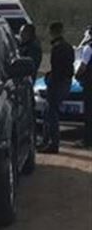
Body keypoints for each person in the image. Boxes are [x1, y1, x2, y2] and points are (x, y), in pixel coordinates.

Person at [42, 21, 75, 153]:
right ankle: (48, 141)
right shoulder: (68, 47)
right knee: (49, 112)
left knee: (52, 113)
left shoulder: (58, 48)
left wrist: (50, 81)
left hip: (58, 83)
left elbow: (57, 70)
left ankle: (53, 143)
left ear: (52, 32)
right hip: (65, 82)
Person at [75, 26, 92, 147]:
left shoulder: (88, 48)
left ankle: (87, 140)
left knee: (89, 114)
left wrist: (76, 75)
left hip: (90, 84)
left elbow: (83, 66)